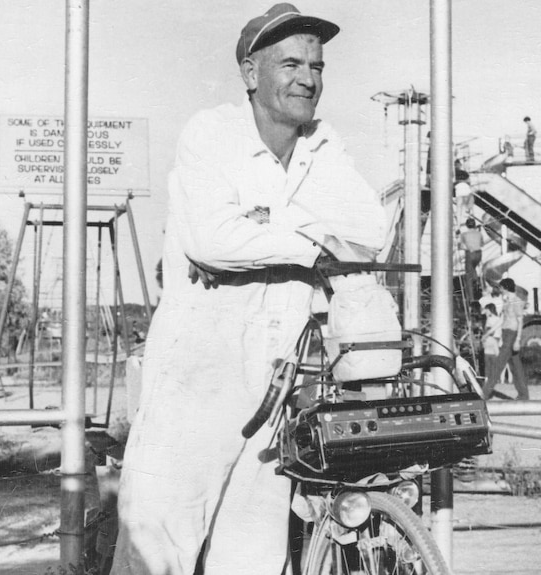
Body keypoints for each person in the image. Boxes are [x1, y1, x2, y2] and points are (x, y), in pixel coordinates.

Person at [110, 5, 387, 575]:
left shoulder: (323, 144)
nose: (307, 77)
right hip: (199, 369)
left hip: (279, 375)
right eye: (290, 63)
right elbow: (211, 239)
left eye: (316, 64)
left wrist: (263, 232)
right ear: (249, 73)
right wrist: (312, 241)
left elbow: (370, 232)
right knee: (158, 545)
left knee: (254, 554)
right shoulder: (212, 133)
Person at [482, 278, 529, 400]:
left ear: (506, 288)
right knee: (516, 366)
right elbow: (502, 320)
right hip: (506, 333)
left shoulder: (517, 301)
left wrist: (518, 340)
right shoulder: (506, 301)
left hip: (512, 335)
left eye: (501, 288)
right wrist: (488, 333)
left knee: (498, 364)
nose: (500, 290)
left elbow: (520, 320)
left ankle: (485, 393)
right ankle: (524, 395)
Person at [459, 218, 483, 302]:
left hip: (470, 254)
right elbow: (481, 244)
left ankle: (471, 299)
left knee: (468, 277)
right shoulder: (479, 234)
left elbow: (462, 246)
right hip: (479, 254)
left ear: (466, 225)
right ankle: (476, 281)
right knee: (473, 269)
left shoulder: (464, 234)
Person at [481, 303, 502, 382]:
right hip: (495, 340)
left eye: (486, 310)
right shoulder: (496, 318)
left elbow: (490, 331)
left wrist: (484, 337)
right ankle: (495, 378)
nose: (485, 312)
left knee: (489, 361)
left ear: (489, 310)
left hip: (492, 340)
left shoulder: (491, 319)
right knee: (493, 361)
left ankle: (489, 378)